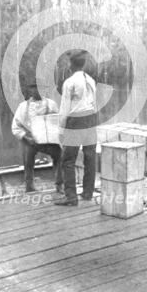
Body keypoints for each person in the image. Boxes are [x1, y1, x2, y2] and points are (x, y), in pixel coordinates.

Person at [54, 49, 98, 206]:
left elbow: (64, 109)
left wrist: (60, 130)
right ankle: (87, 193)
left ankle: (71, 197)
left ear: (70, 65)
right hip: (91, 120)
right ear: (83, 64)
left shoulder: (70, 83)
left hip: (76, 121)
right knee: (90, 157)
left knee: (68, 159)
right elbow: (94, 103)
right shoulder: (91, 80)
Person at [11, 82, 62, 193]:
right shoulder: (23, 107)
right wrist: (26, 137)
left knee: (59, 154)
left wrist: (54, 134)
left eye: (39, 88)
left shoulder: (51, 104)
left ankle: (59, 184)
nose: (36, 91)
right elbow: (15, 127)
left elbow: (58, 122)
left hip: (48, 140)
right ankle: (29, 186)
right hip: (31, 140)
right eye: (33, 88)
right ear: (30, 91)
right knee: (28, 158)